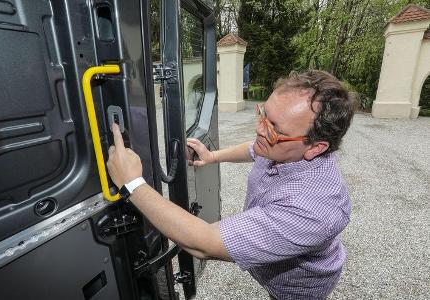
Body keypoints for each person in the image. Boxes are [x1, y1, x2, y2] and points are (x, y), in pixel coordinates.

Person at [107, 70, 357, 299]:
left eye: (273, 129)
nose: (260, 130)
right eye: (263, 114)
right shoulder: (282, 145)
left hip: (294, 289)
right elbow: (255, 149)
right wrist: (213, 156)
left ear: (315, 147)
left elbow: (203, 242)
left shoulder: (314, 208)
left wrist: (132, 183)